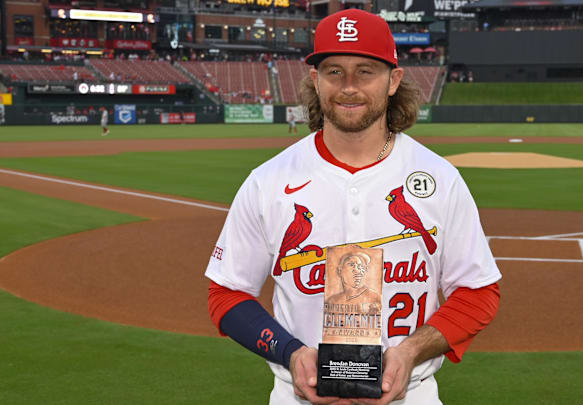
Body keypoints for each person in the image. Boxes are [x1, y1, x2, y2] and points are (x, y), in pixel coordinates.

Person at [205, 9, 501, 405]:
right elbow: (226, 294)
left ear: (394, 80)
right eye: (334, 71)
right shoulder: (268, 181)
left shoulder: (440, 179)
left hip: (410, 396)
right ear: (315, 79)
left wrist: (411, 351)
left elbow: (478, 293)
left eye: (365, 71)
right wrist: (290, 354)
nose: (348, 87)